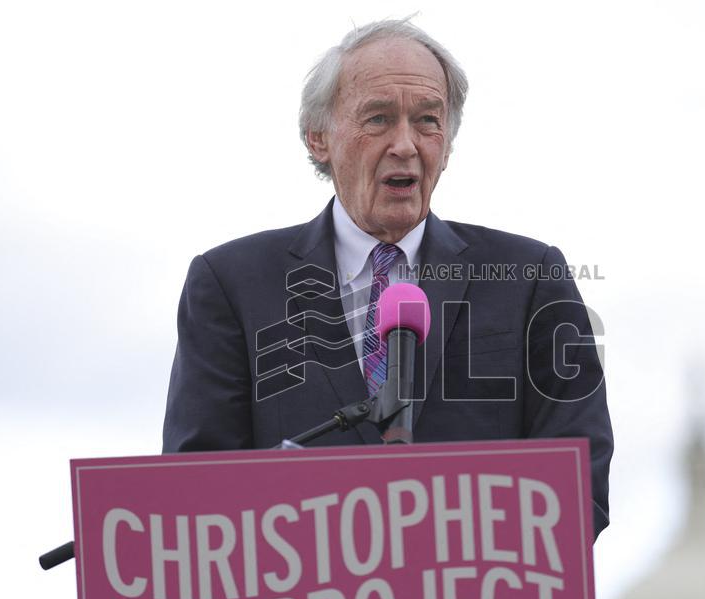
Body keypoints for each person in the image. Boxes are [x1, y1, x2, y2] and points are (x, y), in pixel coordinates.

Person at [162, 18, 614, 538]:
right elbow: (195, 490)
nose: (405, 144)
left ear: (447, 144)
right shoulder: (230, 285)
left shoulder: (530, 276)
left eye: (427, 121)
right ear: (319, 138)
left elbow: (579, 476)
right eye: (378, 119)